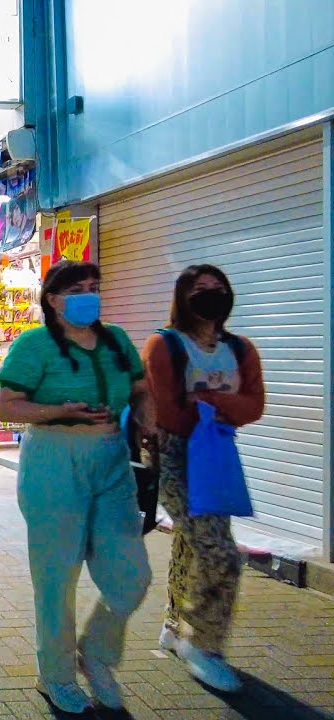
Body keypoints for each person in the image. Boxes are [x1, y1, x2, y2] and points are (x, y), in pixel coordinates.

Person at [0, 260, 153, 714]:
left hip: (111, 461)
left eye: (94, 287)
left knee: (131, 574)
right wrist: (58, 411)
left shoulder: (117, 341)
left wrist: (148, 422)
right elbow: (8, 406)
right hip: (53, 462)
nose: (89, 295)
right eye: (77, 288)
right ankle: (56, 676)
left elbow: (141, 389)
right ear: (53, 299)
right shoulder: (34, 345)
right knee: (56, 579)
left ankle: (97, 654)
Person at [142, 265, 264, 693]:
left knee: (192, 543)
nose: (210, 295)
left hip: (218, 455)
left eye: (218, 288)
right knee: (221, 554)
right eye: (200, 289)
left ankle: (176, 627)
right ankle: (204, 645)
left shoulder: (240, 348)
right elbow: (169, 413)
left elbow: (254, 407)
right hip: (177, 457)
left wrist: (207, 399)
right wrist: (223, 405)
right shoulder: (165, 345)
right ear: (183, 296)